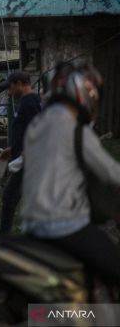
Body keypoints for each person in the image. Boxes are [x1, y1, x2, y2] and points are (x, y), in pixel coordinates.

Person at [21, 62, 120, 287]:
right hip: (64, 226)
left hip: (31, 224)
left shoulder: (37, 123)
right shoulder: (75, 130)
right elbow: (111, 172)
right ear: (86, 93)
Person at [0, 71, 41, 233]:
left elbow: (37, 129)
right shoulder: (27, 102)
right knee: (16, 196)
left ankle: (4, 235)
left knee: (10, 196)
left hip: (28, 159)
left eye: (10, 88)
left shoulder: (30, 102)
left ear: (19, 84)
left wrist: (25, 153)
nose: (9, 92)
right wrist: (12, 149)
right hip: (25, 156)